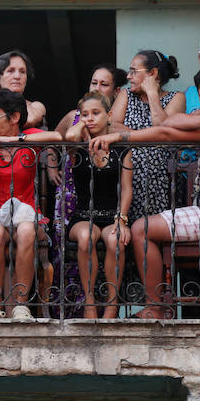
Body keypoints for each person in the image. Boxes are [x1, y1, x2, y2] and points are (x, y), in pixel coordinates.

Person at [91, 64, 200, 319]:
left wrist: (118, 138)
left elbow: (167, 132)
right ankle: (157, 305)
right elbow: (172, 120)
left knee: (141, 229)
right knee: (144, 227)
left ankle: (156, 308)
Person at [0, 89, 61, 320]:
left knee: (26, 230)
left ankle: (21, 305)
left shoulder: (28, 137)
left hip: (28, 216)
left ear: (14, 118)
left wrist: (12, 140)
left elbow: (57, 137)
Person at [64, 92, 132, 319]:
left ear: (109, 115)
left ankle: (112, 305)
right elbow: (70, 135)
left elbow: (127, 188)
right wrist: (80, 123)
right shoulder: (79, 147)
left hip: (113, 215)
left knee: (115, 240)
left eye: (96, 113)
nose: (90, 118)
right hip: (83, 217)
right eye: (85, 114)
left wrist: (121, 219)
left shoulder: (122, 149)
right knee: (86, 237)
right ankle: (90, 301)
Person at [109, 50, 185, 221]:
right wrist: (147, 136)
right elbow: (111, 126)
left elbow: (164, 129)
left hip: (160, 178)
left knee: (152, 232)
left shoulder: (177, 97)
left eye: (134, 71)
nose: (129, 76)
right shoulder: (125, 95)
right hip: (126, 173)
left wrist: (152, 94)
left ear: (153, 73)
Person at [0, 50, 46, 129]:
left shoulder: (36, 106)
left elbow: (29, 120)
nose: (17, 76)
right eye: (10, 71)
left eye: (22, 72)